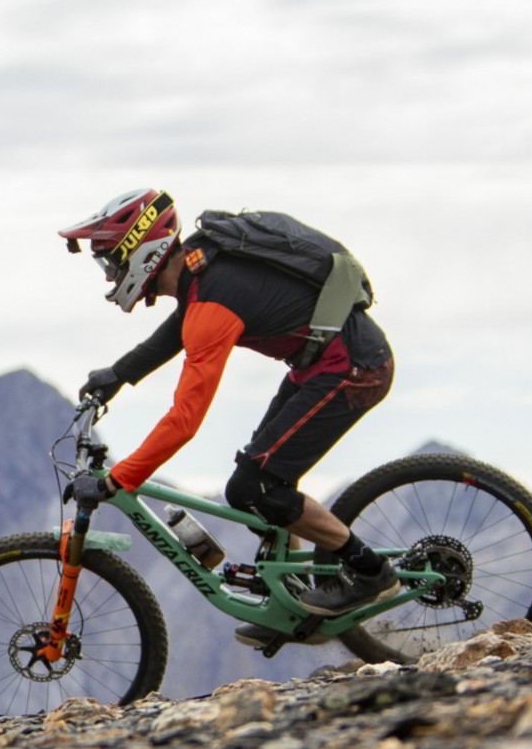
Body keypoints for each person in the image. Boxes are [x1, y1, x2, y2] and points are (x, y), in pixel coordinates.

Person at [58, 187, 396, 634]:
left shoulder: (213, 302)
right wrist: (119, 374)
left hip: (354, 369)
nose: (108, 277)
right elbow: (180, 327)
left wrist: (118, 480)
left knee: (256, 486)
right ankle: (292, 603)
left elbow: (184, 420)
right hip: (321, 366)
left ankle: (371, 572)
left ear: (140, 252)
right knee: (257, 479)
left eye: (111, 262)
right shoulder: (201, 264)